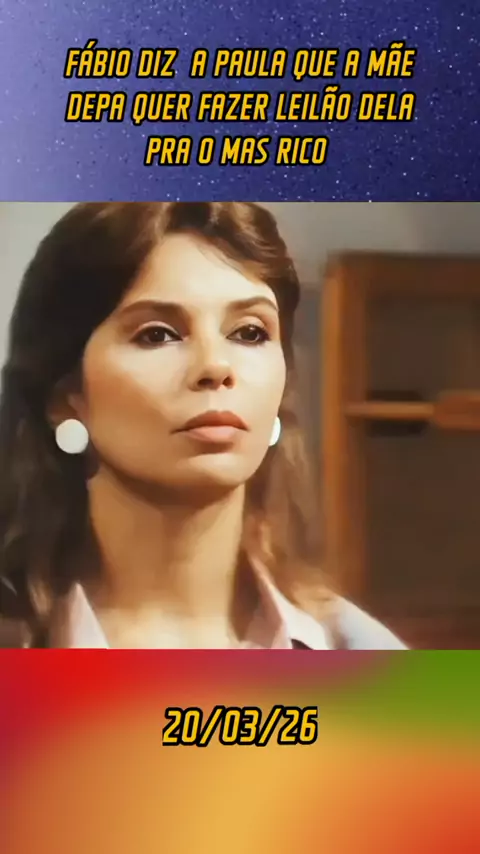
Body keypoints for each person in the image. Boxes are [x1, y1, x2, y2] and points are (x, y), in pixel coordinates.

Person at [0, 202, 406, 649]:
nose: (215, 366)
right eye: (158, 334)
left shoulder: (361, 651)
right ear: (64, 397)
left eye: (249, 333)